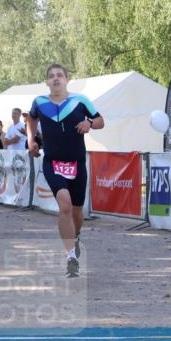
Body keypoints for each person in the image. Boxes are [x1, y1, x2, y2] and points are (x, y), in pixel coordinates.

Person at [28, 63, 104, 278]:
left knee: (78, 214)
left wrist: (89, 123)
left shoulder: (80, 100)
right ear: (47, 82)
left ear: (67, 80)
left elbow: (100, 121)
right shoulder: (39, 102)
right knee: (65, 207)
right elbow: (31, 118)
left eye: (60, 75)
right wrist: (31, 140)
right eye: (51, 76)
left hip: (77, 163)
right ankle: (71, 257)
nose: (56, 78)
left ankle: (76, 236)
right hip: (52, 162)